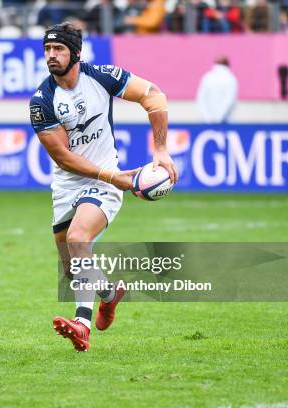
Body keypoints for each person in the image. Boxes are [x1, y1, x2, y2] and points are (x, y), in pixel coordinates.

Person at [29, 23, 177, 352]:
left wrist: (161, 149)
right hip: (68, 185)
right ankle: (110, 295)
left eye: (59, 50)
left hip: (105, 179)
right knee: (72, 267)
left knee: (78, 239)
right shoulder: (41, 101)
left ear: (76, 54)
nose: (51, 56)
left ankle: (81, 324)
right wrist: (118, 178)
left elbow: (153, 96)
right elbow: (64, 158)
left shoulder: (101, 76)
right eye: (47, 50)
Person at [196, 56, 238, 123]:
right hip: (225, 122)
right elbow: (229, 100)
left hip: (208, 121)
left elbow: (201, 99)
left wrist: (208, 117)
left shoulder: (207, 77)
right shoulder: (230, 78)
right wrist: (218, 118)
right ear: (227, 64)